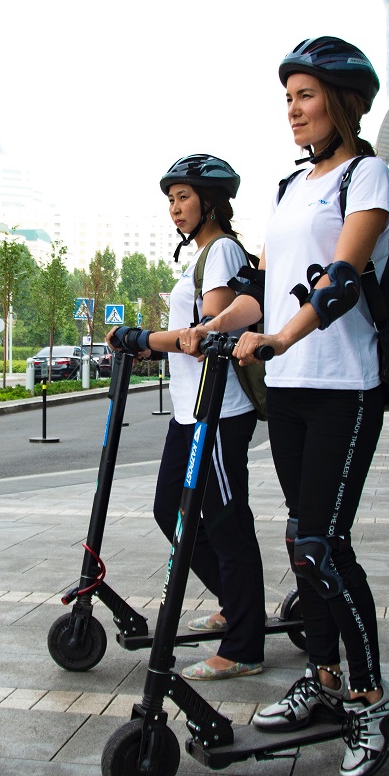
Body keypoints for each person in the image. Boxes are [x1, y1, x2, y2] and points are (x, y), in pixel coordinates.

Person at [191, 36, 389, 776]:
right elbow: (263, 286)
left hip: (345, 385)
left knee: (324, 544)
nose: (293, 111)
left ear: (342, 103)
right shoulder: (289, 187)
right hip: (291, 388)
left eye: (306, 96)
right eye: (288, 98)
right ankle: (326, 677)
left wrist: (281, 336)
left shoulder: (368, 176)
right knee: (298, 544)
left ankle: (371, 697)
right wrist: (219, 327)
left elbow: (342, 278)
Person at [109, 154, 265, 681]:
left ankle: (244, 642)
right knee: (167, 509)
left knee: (225, 521)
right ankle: (235, 601)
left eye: (183, 197)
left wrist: (143, 338)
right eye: (171, 200)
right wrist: (150, 347)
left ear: (210, 202)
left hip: (217, 413)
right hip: (189, 413)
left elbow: (208, 338)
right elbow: (185, 339)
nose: (175, 209)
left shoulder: (220, 252)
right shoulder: (201, 256)